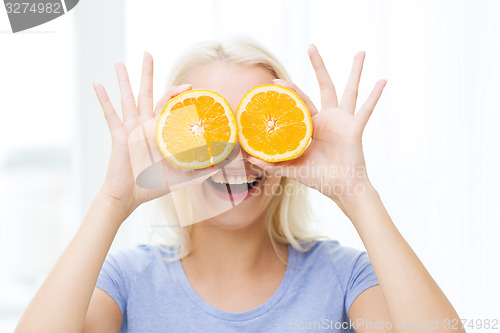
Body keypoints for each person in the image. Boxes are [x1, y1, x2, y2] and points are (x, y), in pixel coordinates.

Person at [15, 38, 464, 333]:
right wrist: (113, 201)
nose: (233, 156)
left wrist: (357, 194)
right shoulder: (127, 281)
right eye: (210, 129)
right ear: (171, 143)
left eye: (255, 126)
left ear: (291, 139)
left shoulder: (345, 278)